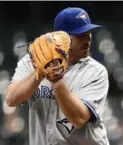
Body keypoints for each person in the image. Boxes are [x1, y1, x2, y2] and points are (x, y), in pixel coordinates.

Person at [5, 7, 109, 145]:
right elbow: (12, 99)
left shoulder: (96, 72)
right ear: (62, 38)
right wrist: (41, 71)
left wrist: (57, 80)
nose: (88, 39)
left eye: (89, 32)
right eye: (81, 34)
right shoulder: (31, 62)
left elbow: (79, 119)